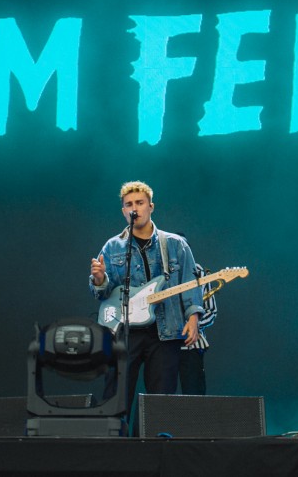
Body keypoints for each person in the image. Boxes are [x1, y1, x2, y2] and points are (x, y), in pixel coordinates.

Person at [89, 181, 205, 427]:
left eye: (140, 203)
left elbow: (189, 281)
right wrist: (100, 279)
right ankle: (114, 453)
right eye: (129, 204)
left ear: (151, 206)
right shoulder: (112, 247)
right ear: (123, 210)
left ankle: (155, 453)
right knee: (115, 398)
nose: (135, 209)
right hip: (125, 332)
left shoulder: (175, 244)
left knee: (160, 402)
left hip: (165, 332)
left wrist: (194, 317)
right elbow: (103, 293)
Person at [179, 262, 218, 395]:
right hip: (162, 345)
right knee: (160, 396)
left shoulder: (198, 270)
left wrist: (193, 324)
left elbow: (211, 311)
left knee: (194, 396)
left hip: (192, 345)